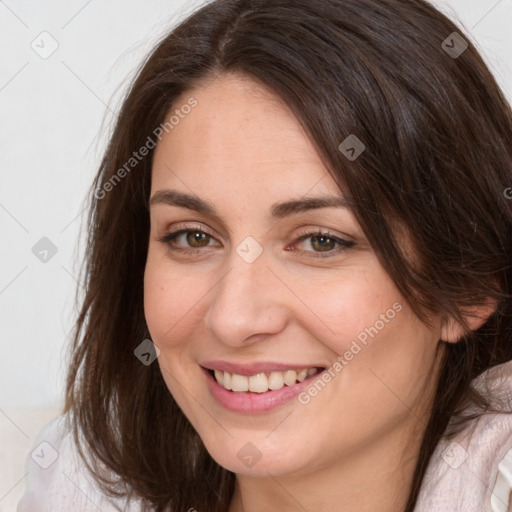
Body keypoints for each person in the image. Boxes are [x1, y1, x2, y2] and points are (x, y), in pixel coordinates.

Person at [17, 0, 512, 511]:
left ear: (470, 285)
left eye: (321, 241)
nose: (233, 319)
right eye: (192, 236)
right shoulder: (73, 484)